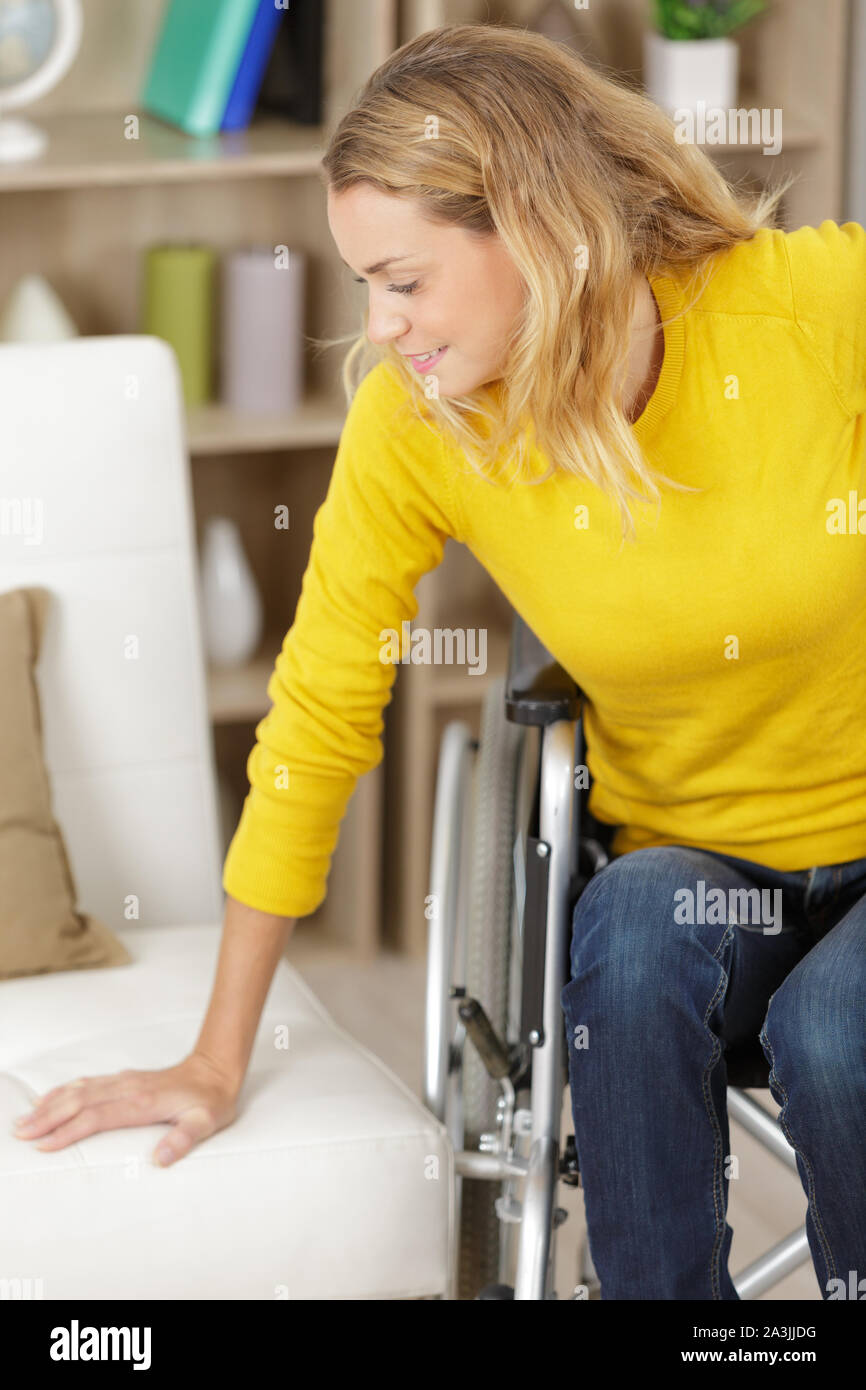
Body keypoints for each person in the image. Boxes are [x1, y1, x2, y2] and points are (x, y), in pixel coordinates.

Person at [12, 23, 866, 1301]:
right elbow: (316, 716)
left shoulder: (798, 307)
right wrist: (213, 1053)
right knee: (626, 933)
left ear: (537, 226)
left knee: (831, 1028)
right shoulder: (419, 426)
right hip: (686, 865)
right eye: (365, 283)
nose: (381, 327)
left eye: (402, 280)